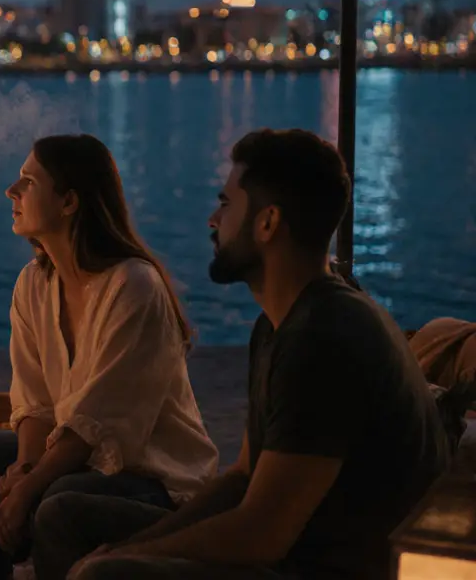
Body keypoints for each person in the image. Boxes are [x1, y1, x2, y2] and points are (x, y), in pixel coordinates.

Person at [44, 129, 451, 580]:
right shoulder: (280, 324)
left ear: (267, 223)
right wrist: (131, 546)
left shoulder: (324, 338)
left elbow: (262, 533)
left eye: (226, 204)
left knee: (106, 576)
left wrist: (130, 559)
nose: (212, 220)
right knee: (66, 517)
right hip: (289, 545)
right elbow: (242, 476)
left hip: (321, 567)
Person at [0, 134, 219, 580]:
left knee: (56, 496)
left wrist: (26, 489)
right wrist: (23, 467)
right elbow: (36, 402)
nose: (12, 191)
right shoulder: (34, 285)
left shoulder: (132, 287)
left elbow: (95, 423)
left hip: (155, 478)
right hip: (77, 456)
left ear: (68, 202)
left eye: (28, 181)